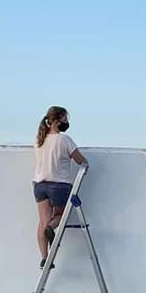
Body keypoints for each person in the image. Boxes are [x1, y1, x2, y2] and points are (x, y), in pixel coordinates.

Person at [33, 106, 88, 268]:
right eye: (65, 119)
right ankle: (51, 227)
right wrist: (86, 164)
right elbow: (80, 160)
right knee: (60, 214)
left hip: (39, 185)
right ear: (57, 121)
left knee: (42, 222)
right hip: (59, 185)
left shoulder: (38, 140)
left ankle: (44, 258)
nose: (67, 122)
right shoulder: (64, 140)